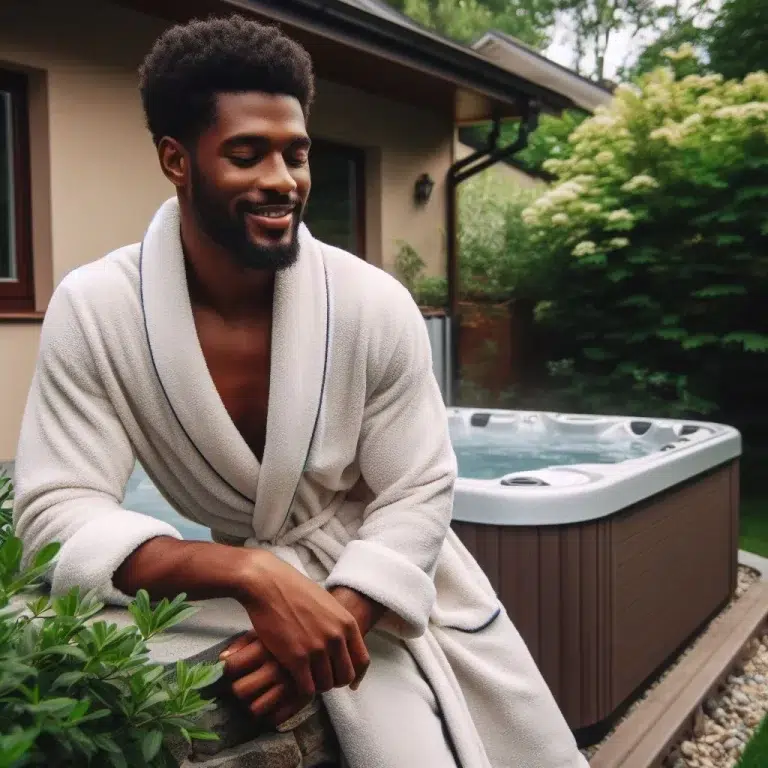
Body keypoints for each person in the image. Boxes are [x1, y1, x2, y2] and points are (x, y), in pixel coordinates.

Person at [14, 15, 588, 768]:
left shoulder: (371, 304)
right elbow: (55, 516)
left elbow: (417, 489)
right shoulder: (98, 311)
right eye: (247, 155)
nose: (282, 180)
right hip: (242, 582)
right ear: (176, 160)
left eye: (296, 153)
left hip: (376, 585)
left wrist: (328, 628)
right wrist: (249, 574)